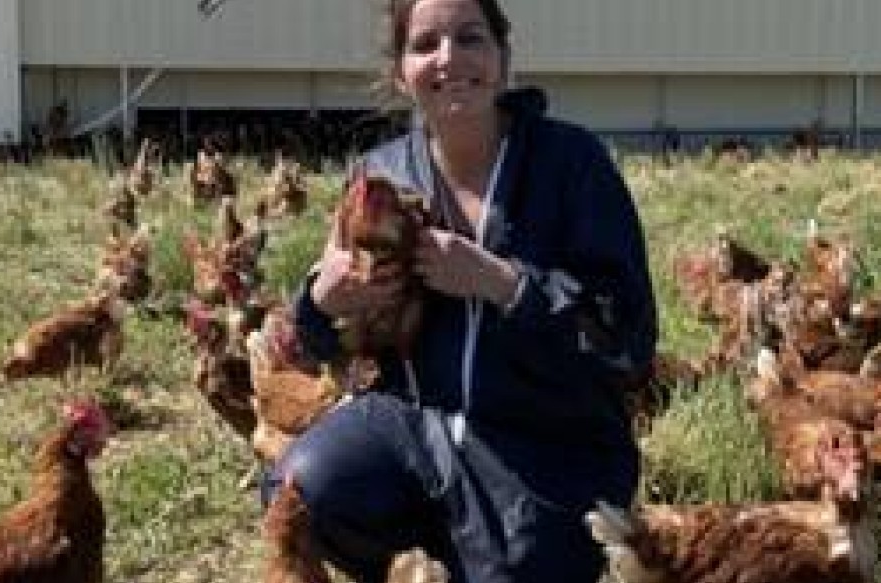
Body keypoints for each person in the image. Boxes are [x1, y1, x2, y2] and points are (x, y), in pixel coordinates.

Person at [262, 0, 658, 581]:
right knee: (304, 493)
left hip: (550, 443)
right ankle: (424, 557)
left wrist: (504, 283)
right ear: (401, 70)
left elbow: (629, 333)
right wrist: (323, 304)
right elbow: (326, 345)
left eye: (470, 38)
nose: (449, 58)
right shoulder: (378, 175)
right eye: (425, 44)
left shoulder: (571, 163)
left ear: (502, 57)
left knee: (519, 565)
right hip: (412, 425)